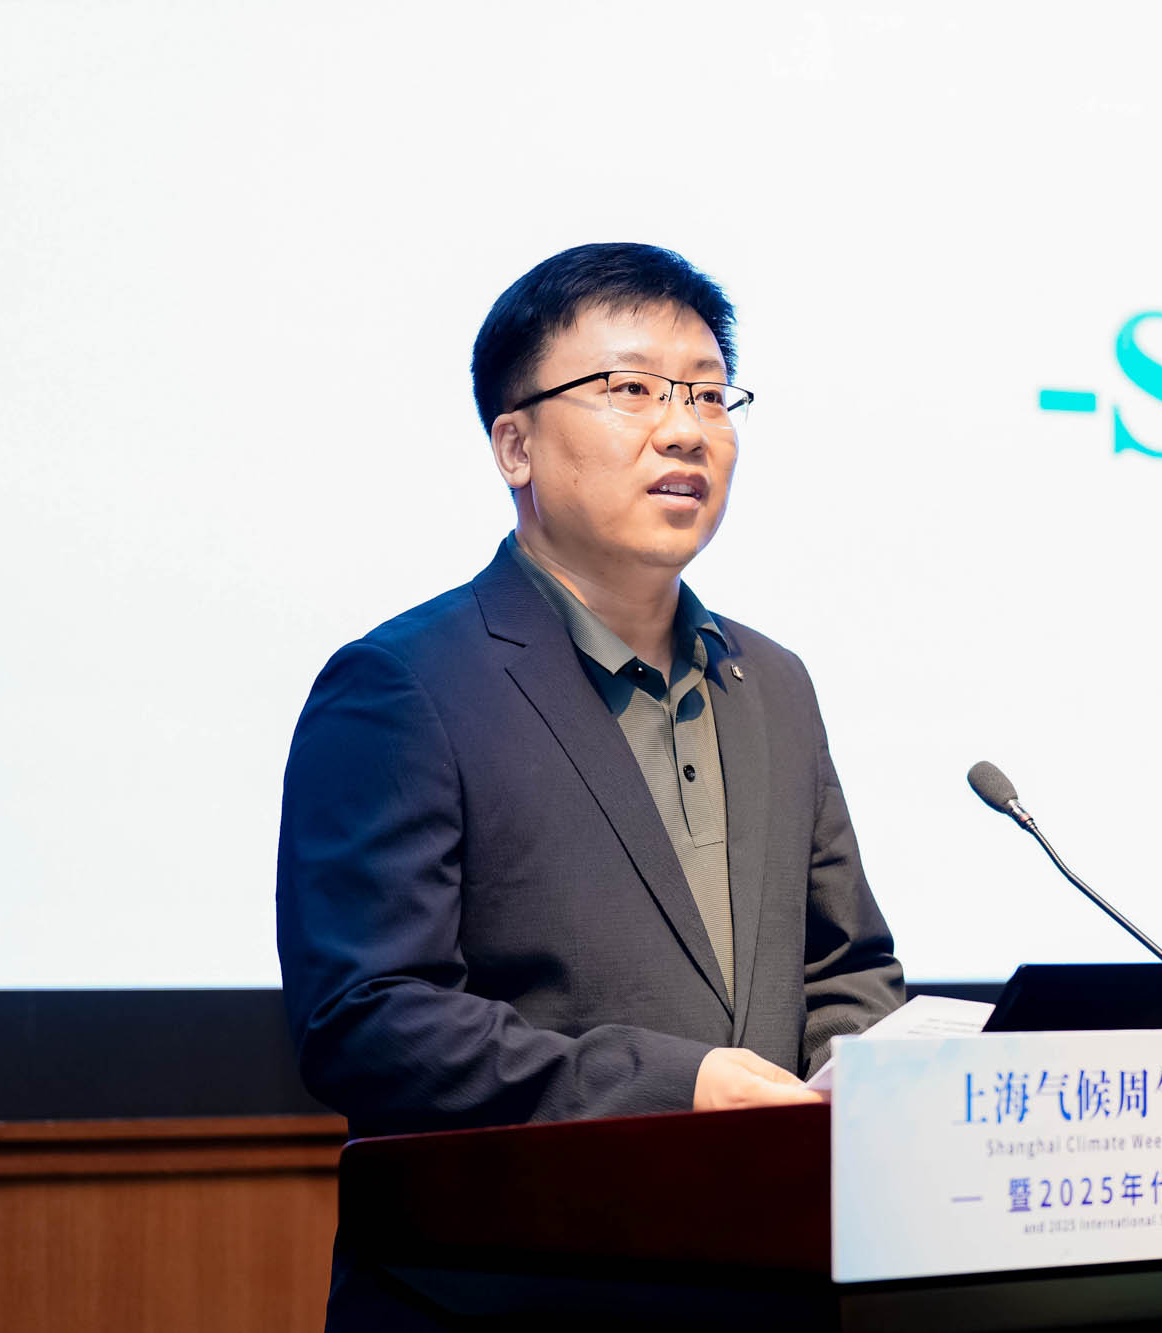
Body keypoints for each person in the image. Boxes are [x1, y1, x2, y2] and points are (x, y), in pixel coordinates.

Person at [276, 241, 904, 1142]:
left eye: (707, 394)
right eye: (632, 388)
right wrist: (673, 1087)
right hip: (538, 1230)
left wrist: (855, 1084)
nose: (684, 430)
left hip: (776, 1225)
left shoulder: (771, 682)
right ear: (515, 445)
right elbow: (367, 1019)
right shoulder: (403, 686)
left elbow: (846, 969)